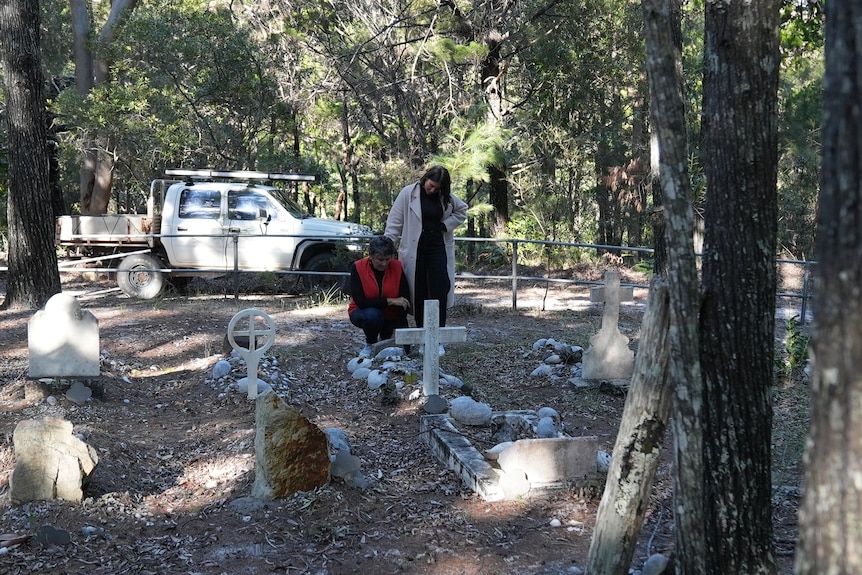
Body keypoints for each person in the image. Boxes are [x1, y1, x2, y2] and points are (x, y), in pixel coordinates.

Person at [384, 165, 468, 356]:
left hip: (438, 248)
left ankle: (437, 338)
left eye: (438, 188)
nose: (433, 190)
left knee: (439, 290)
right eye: (431, 186)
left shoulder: (445, 197)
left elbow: (462, 211)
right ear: (425, 179)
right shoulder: (408, 193)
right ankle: (423, 338)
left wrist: (445, 226)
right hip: (415, 250)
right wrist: (387, 245)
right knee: (419, 293)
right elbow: (395, 222)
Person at [347, 235, 411, 357]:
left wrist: (396, 330)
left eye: (388, 259)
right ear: (370, 256)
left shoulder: (397, 267)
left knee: (403, 351)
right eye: (380, 259)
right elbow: (361, 302)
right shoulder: (358, 267)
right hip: (364, 311)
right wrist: (390, 301)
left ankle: (385, 336)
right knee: (373, 316)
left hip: (392, 316)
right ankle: (370, 343)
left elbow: (404, 301)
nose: (384, 263)